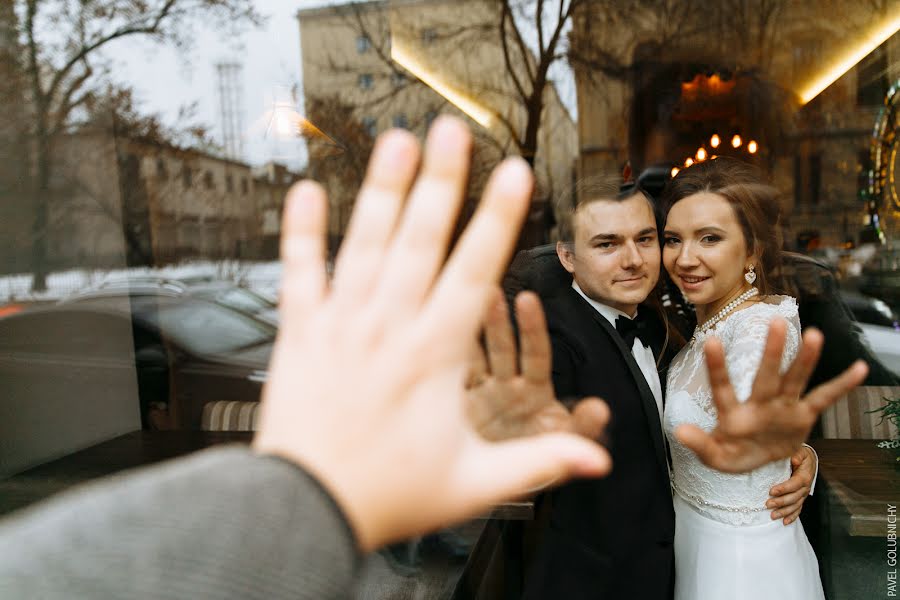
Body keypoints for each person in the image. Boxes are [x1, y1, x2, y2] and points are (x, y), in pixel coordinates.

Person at [0, 120, 864, 599]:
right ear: (567, 257)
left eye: (656, 238)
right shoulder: (546, 331)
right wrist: (323, 490)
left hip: (711, 560)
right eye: (616, 243)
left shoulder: (681, 322)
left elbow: (726, 421)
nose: (647, 260)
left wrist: (798, 455)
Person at [518, 175, 832, 600]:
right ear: (567, 256)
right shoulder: (553, 339)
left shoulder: (671, 320)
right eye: (607, 244)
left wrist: (794, 455)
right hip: (601, 582)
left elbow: (744, 401)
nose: (634, 260)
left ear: (752, 250)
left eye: (646, 239)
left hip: (726, 564)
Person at [659, 157, 849, 599]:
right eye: (673, 239)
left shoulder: (762, 324)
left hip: (740, 566)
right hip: (692, 542)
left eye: (710, 238)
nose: (685, 258)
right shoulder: (705, 327)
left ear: (752, 250)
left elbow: (749, 393)